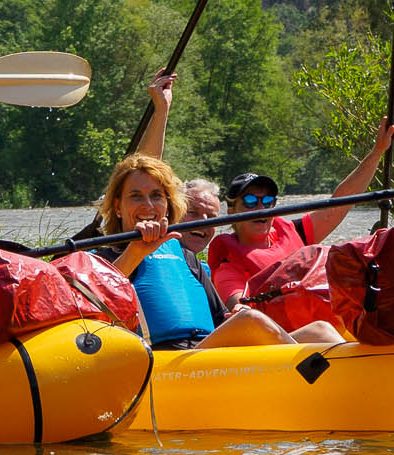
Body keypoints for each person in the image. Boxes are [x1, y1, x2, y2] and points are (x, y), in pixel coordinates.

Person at [97, 71, 342, 349]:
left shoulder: (187, 258)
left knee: (320, 331)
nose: (148, 206)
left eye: (157, 196)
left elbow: (220, 319)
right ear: (117, 207)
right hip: (162, 363)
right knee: (252, 322)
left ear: (168, 205)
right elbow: (95, 302)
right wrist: (135, 252)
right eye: (135, 197)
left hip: (207, 357)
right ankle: (306, 373)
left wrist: (233, 314)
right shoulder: (104, 258)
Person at [204, 117, 394, 312]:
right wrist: (240, 307)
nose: (260, 208)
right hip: (286, 333)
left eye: (267, 201)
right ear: (231, 211)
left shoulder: (293, 232)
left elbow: (340, 204)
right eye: (250, 202)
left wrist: (378, 151)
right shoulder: (228, 264)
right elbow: (240, 308)